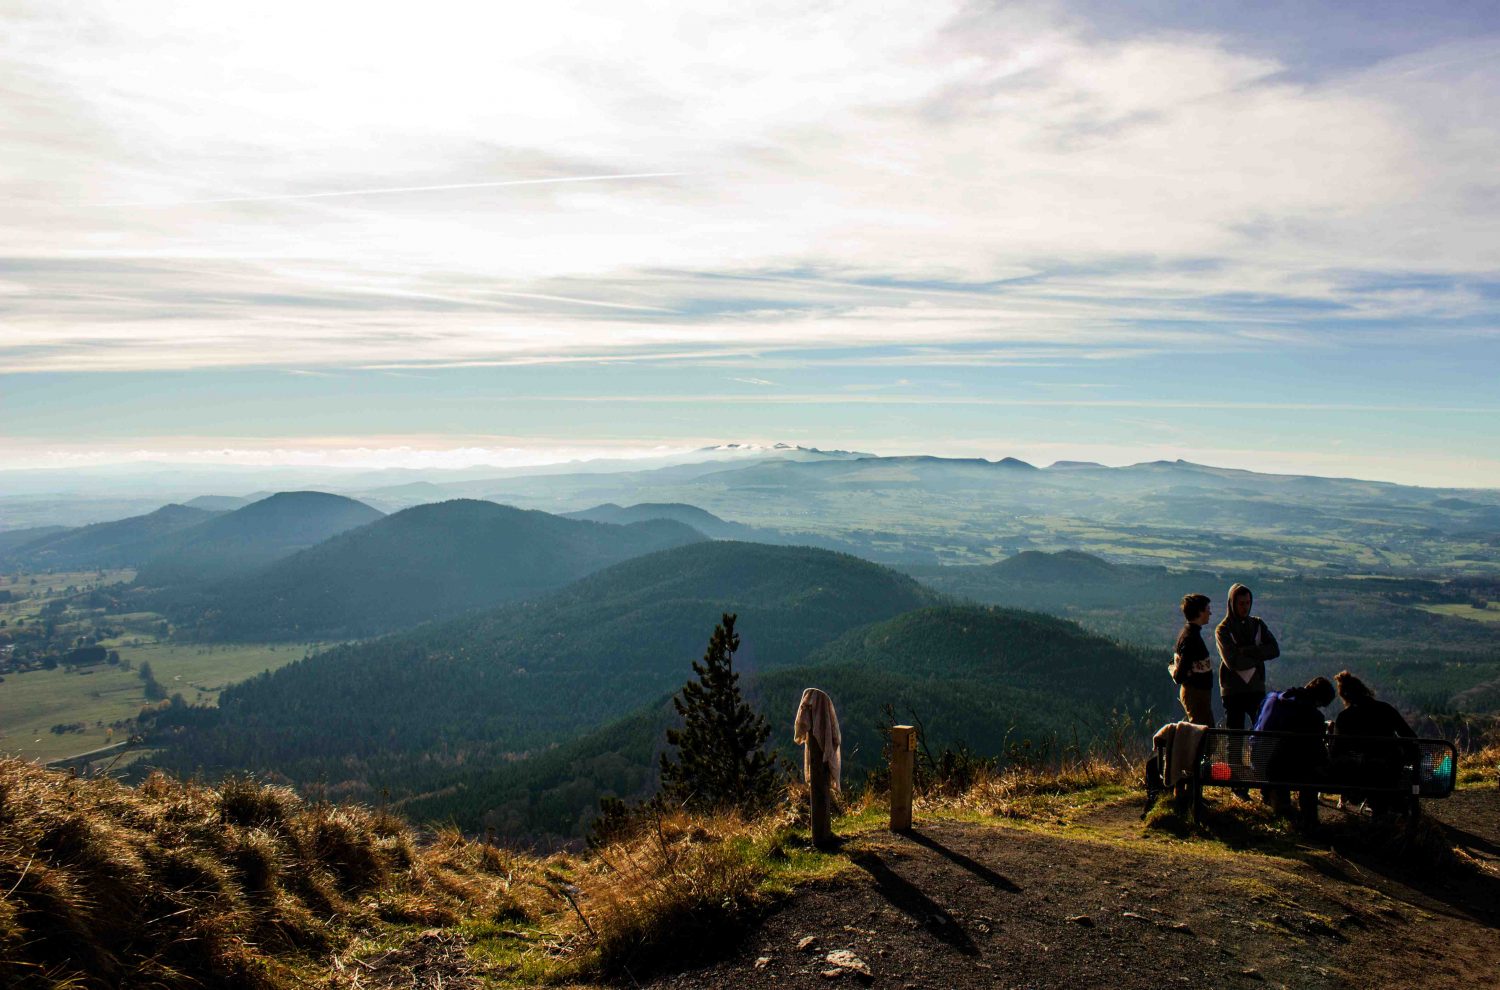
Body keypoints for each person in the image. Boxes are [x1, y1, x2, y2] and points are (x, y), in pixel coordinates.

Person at [1216, 582, 1280, 796]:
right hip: (1233, 692)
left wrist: (1247, 651)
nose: (1245, 607)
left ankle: (1263, 781)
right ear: (1232, 603)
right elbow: (1232, 661)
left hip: (1255, 690)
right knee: (1234, 740)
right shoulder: (1223, 629)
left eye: (1248, 603)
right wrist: (1257, 654)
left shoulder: (1258, 625)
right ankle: (1236, 784)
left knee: (1261, 737)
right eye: (1241, 603)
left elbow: (1274, 650)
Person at [1329, 670, 1418, 816]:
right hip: (1388, 770)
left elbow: (1335, 751)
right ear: (1364, 690)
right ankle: (1388, 809)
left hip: (1359, 773)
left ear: (1344, 695)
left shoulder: (1345, 717)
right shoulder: (1385, 709)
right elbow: (1409, 736)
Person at [1253, 676, 1335, 828]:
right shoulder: (1312, 715)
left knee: (1284, 758)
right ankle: (1309, 820)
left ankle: (1280, 803)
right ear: (1318, 701)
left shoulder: (1271, 698)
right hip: (1281, 769)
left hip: (1258, 760)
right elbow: (1316, 751)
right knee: (1310, 770)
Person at [1169, 593, 1215, 725]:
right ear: (1200, 613)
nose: (1210, 613)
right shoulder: (1190, 639)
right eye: (1207, 610)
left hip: (1197, 695)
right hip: (1196, 695)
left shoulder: (1188, 633)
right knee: (1203, 735)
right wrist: (1178, 671)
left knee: (1205, 733)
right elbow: (1179, 676)